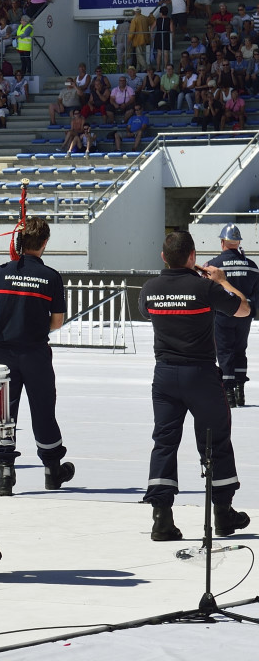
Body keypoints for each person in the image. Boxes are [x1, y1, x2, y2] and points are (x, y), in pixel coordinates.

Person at [139, 230, 250, 542]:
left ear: (163, 257)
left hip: (164, 376)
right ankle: (223, 514)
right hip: (200, 374)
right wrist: (222, 281)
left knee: (164, 442)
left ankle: (161, 518)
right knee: (216, 441)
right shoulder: (205, 287)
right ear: (192, 257)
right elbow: (243, 309)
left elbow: (146, 313)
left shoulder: (150, 288)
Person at [0, 217, 74, 497]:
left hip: (3, 352)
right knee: (43, 411)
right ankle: (53, 470)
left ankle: (4, 474)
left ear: (18, 242)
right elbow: (58, 321)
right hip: (36, 353)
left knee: (3, 414)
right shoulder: (51, 276)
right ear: (45, 243)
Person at [206, 224, 259, 407]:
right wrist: (251, 312)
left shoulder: (213, 266)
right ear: (238, 243)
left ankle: (228, 392)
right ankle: (240, 391)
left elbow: (206, 291)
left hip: (222, 314)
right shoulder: (252, 266)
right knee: (239, 350)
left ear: (222, 243)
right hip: (245, 315)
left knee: (224, 351)